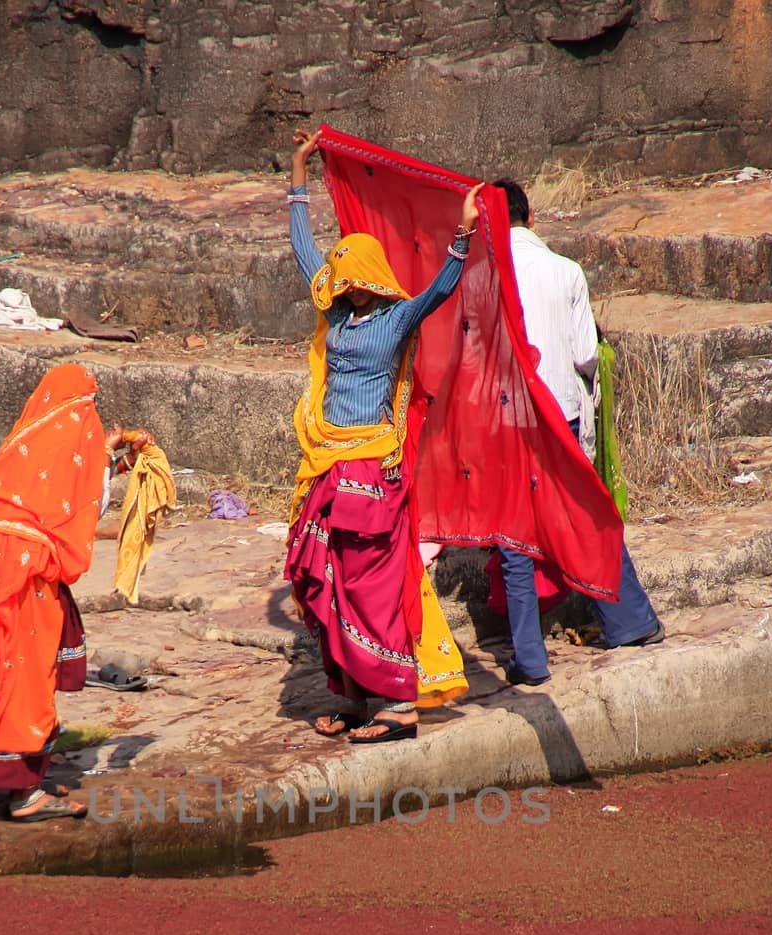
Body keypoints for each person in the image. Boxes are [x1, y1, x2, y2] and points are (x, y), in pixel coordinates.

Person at [285, 129, 477, 742]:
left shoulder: (397, 316)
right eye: (336, 278)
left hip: (372, 468)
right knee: (327, 577)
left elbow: (442, 290)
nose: (337, 283)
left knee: (369, 582)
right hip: (327, 463)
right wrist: (297, 175)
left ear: (366, 272)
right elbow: (304, 254)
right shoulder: (336, 311)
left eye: (347, 275)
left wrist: (465, 233)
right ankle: (350, 693)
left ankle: (397, 704)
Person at [0, 363, 136, 820]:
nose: (93, 412)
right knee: (23, 674)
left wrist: (107, 457)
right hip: (26, 571)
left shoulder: (25, 440)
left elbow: (58, 490)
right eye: (91, 403)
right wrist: (109, 458)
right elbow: (78, 510)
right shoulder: (76, 430)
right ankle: (23, 795)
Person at [491, 179, 664, 686]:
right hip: (561, 412)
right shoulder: (567, 272)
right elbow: (587, 355)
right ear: (532, 216)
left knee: (514, 535)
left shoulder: (486, 274)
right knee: (584, 516)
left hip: (509, 419)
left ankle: (530, 657)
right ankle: (629, 621)